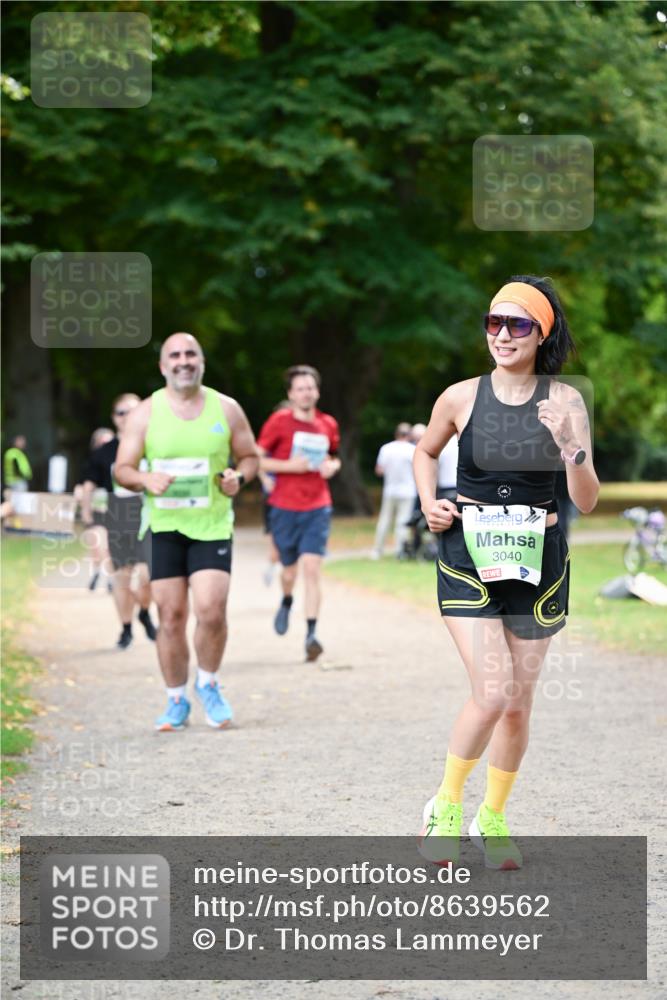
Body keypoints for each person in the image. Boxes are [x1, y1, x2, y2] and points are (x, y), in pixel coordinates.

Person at [414, 275, 598, 869]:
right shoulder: (460, 397)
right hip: (469, 558)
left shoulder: (565, 401)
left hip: (537, 562)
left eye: (518, 324)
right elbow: (425, 451)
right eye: (494, 322)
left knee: (518, 703)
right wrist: (428, 501)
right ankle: (444, 806)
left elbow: (589, 499)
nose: (502, 334)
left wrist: (568, 445)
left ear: (541, 334)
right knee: (491, 692)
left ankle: (491, 817)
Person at [114, 333, 259, 732]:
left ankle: (208, 684)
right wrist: (145, 478)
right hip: (164, 525)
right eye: (174, 355)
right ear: (163, 366)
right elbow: (121, 469)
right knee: (171, 615)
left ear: (202, 361)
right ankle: (175, 699)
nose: (183, 361)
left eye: (190, 353)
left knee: (211, 610)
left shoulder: (226, 408)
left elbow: (249, 457)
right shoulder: (145, 413)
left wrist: (238, 478)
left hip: (211, 525)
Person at [257, 365, 341, 662]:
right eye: (300, 388)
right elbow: (258, 461)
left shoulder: (328, 423)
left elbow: (332, 456)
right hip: (284, 507)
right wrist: (289, 467)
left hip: (317, 505)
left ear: (317, 391)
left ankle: (311, 634)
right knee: (289, 571)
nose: (306, 392)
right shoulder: (278, 422)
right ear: (291, 394)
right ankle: (287, 599)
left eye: (310, 387)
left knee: (312, 569)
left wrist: (332, 466)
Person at [81, 399, 157, 647]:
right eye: (121, 412)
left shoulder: (155, 443)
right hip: (118, 518)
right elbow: (89, 484)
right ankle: (126, 629)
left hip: (150, 516)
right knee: (122, 577)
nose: (127, 416)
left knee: (148, 576)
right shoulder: (104, 452)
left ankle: (144, 612)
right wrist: (87, 515)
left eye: (133, 410)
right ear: (114, 417)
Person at [371, 422, 416, 560]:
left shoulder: (386, 448)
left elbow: (379, 470)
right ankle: (399, 551)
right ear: (409, 435)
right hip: (408, 491)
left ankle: (377, 551)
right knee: (402, 522)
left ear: (396, 434)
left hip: (390, 490)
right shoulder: (412, 449)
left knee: (384, 520)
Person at [80, 427, 114, 591]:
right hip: (97, 509)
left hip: (115, 510)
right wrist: (85, 509)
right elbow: (84, 486)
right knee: (97, 545)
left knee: (107, 546)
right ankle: (97, 572)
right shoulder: (91, 463)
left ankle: (109, 578)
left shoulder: (120, 461)